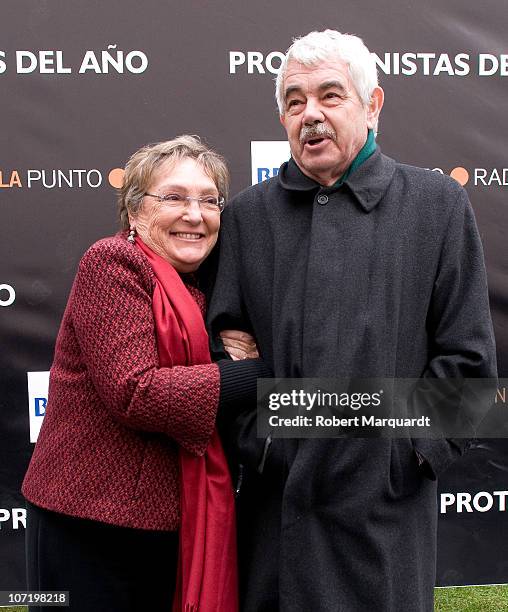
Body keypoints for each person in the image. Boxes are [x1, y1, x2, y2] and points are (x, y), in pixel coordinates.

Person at [208, 30, 497, 612]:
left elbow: (469, 367)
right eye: (294, 102)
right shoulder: (246, 218)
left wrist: (399, 452)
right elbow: (223, 356)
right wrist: (269, 446)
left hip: (384, 519)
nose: (309, 115)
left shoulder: (436, 204)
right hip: (276, 514)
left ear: (373, 104)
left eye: (329, 96)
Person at [22, 135, 268, 612]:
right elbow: (137, 391)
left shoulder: (210, 284)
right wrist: (253, 374)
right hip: (85, 520)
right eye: (174, 197)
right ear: (135, 212)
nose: (194, 214)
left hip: (172, 521)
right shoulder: (112, 264)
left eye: (209, 200)